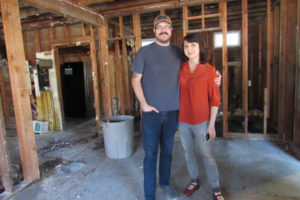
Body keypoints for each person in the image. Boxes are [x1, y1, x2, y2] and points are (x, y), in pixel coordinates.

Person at [131, 14, 221, 200]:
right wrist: (144, 105)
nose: (163, 29)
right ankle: (149, 195)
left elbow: (198, 65)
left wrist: (217, 77)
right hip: (153, 114)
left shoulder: (179, 53)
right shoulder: (145, 52)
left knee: (168, 152)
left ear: (171, 30)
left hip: (173, 113)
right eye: (159, 27)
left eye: (167, 26)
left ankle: (165, 184)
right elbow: (135, 79)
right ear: (155, 31)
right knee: (150, 154)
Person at [178, 33, 224, 200]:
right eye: (186, 46)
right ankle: (194, 180)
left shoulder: (210, 70)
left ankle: (216, 188)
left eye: (193, 45)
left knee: (207, 155)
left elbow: (215, 101)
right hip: (183, 121)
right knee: (188, 153)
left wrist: (211, 125)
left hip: (202, 123)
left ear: (200, 48)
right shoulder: (180, 67)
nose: (189, 49)